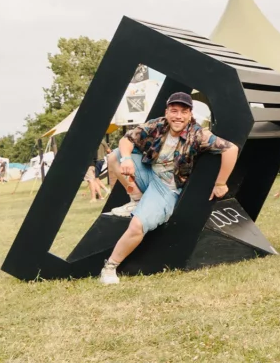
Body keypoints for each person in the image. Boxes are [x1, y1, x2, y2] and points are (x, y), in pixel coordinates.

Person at [99, 92, 239, 284]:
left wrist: (221, 183)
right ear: (166, 112)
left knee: (137, 226)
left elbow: (231, 149)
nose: (178, 116)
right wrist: (127, 159)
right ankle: (137, 200)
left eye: (184, 111)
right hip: (149, 173)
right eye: (174, 111)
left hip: (167, 187)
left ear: (190, 114)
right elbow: (126, 139)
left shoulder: (197, 134)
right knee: (115, 156)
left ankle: (110, 267)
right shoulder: (157, 125)